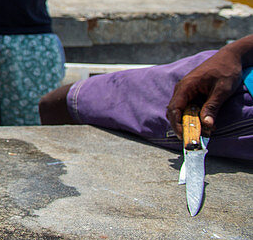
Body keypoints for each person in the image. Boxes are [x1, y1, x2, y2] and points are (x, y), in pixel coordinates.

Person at [38, 35, 253, 160]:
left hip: (240, 104)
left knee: (59, 102)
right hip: (236, 79)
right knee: (60, 102)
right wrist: (234, 53)